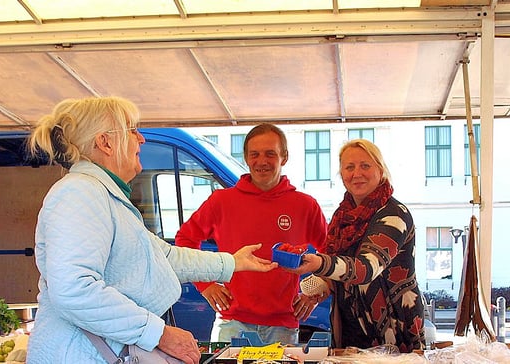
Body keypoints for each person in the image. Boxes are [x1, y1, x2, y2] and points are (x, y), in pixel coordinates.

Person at [25, 97, 278, 364]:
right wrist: (159, 334)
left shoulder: (103, 195)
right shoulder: (79, 193)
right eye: (132, 130)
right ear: (105, 142)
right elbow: (74, 290)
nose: (141, 140)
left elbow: (163, 257)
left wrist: (231, 262)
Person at [175, 123, 327, 345]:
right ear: (246, 158)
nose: (262, 161)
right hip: (232, 322)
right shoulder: (222, 201)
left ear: (284, 157)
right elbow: (185, 240)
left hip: (283, 325)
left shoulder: (305, 206)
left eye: (270, 154)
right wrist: (205, 285)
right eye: (254, 154)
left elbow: (332, 253)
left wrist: (315, 293)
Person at [286, 139, 424, 353]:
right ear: (341, 174)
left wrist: (318, 263)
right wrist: (313, 290)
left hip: (394, 334)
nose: (356, 173)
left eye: (365, 166)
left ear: (380, 170)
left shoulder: (394, 214)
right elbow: (339, 272)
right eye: (349, 167)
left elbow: (365, 269)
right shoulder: (343, 216)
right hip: (351, 332)